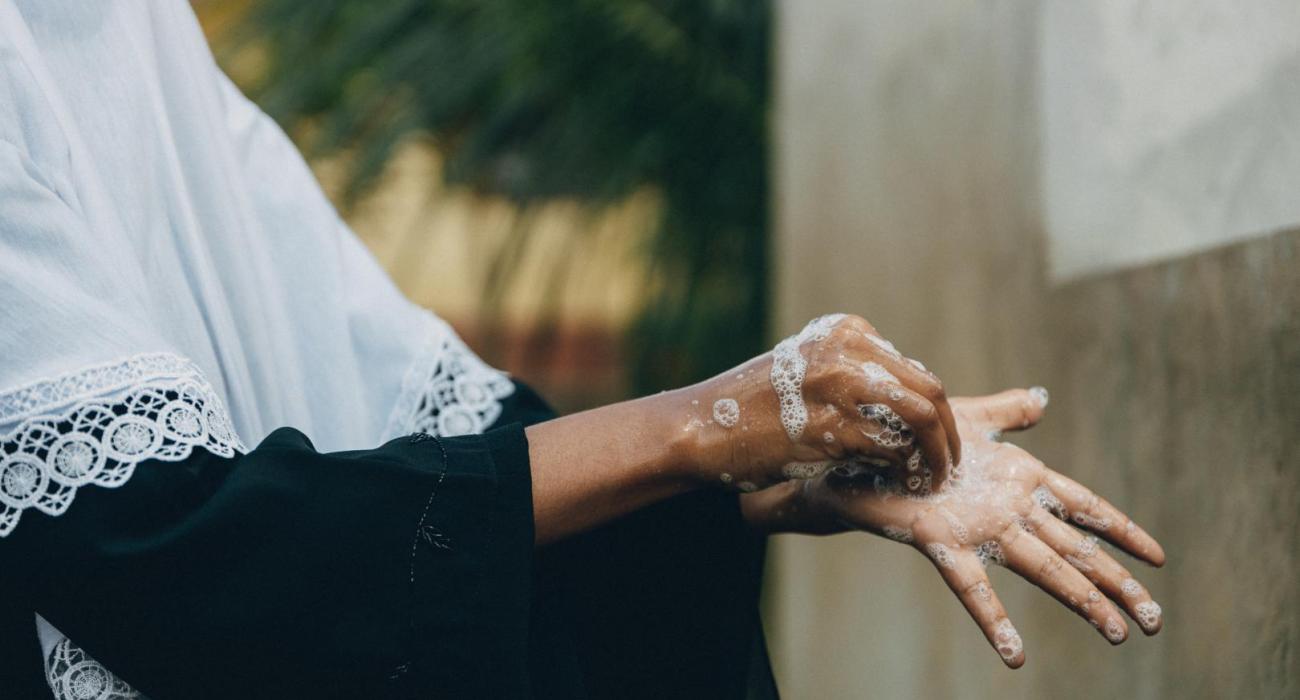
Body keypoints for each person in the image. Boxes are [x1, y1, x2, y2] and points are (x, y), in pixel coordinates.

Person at [0, 2, 1165, 698]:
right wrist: (705, 426)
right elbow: (170, 548)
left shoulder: (140, 48)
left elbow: (444, 455)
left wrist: (752, 477)